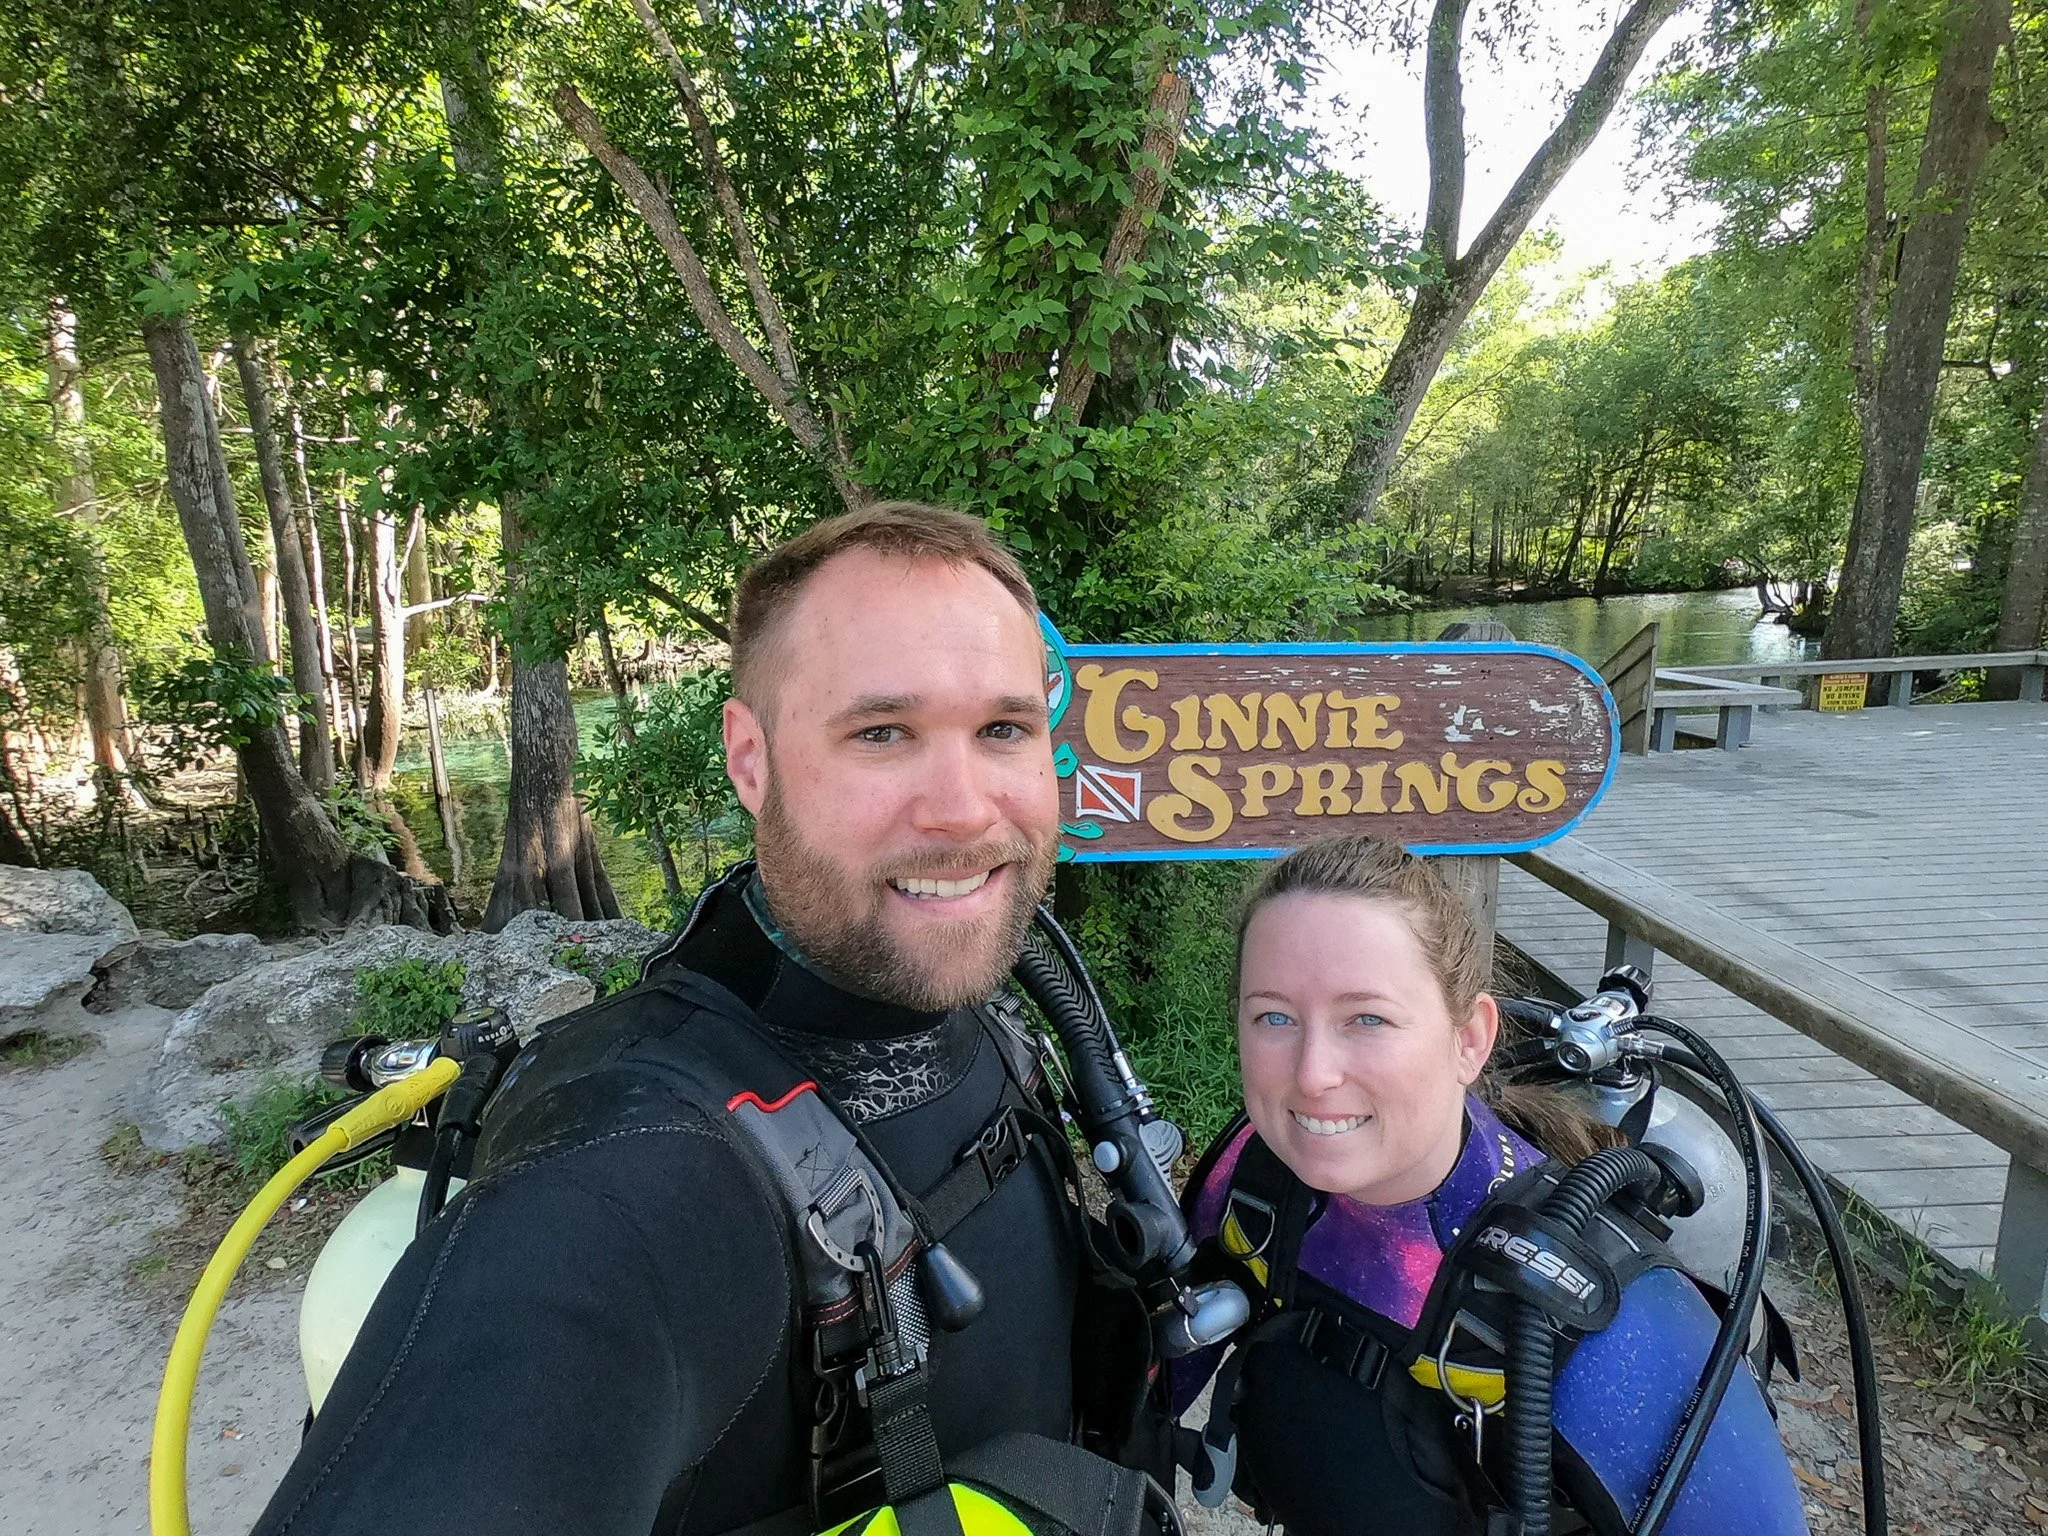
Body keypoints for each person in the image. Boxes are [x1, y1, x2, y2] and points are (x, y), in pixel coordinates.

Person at [252, 503, 1143, 1536]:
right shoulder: (629, 1169)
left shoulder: (982, 1015)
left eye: (1002, 730)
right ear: (750, 760)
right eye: (881, 732)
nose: (964, 808)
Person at [1175, 834, 1809, 1536]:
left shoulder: (1607, 1318)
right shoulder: (1252, 1178)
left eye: (1367, 1019)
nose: (1312, 1074)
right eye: (1275, 1017)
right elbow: (1141, 1396)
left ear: (1470, 1040)